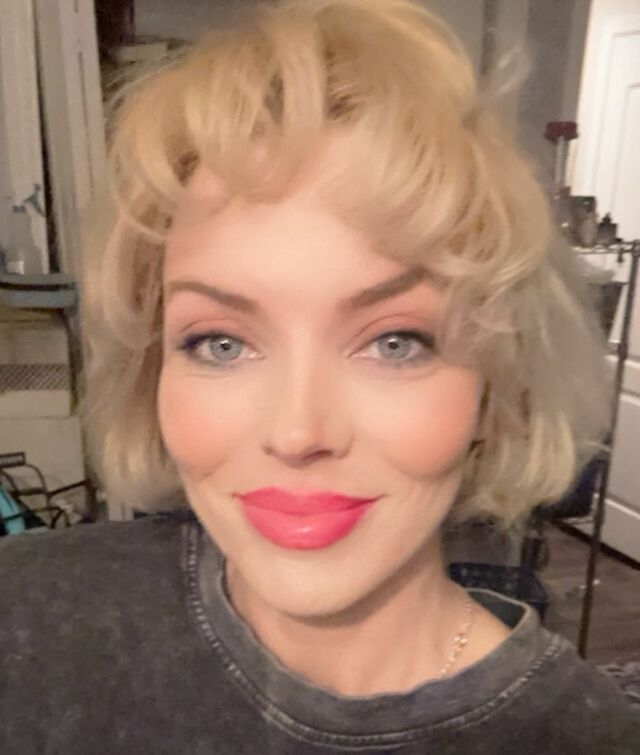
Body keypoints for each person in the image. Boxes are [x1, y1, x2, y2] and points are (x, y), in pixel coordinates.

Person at [1, 1, 637, 752]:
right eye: (220, 343)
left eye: (395, 342)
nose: (298, 431)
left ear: (495, 387)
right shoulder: (27, 614)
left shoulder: (584, 736)